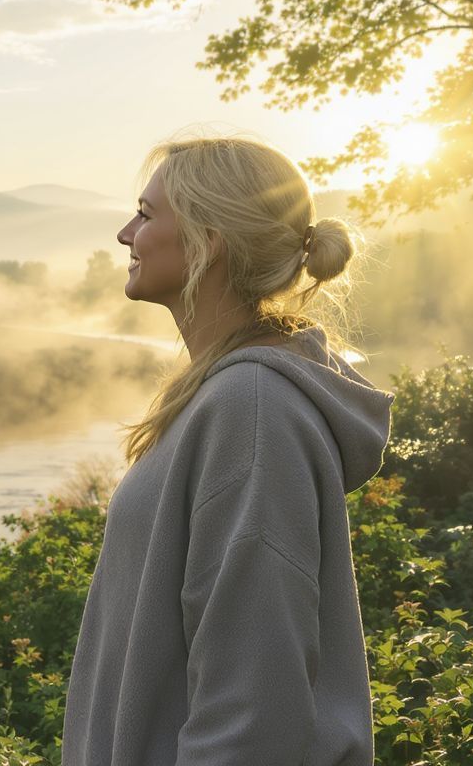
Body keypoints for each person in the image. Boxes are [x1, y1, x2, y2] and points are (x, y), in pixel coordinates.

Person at [60, 137, 395, 766]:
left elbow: (254, 710)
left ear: (207, 240)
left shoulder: (253, 406)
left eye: (146, 212)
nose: (125, 232)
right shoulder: (225, 395)